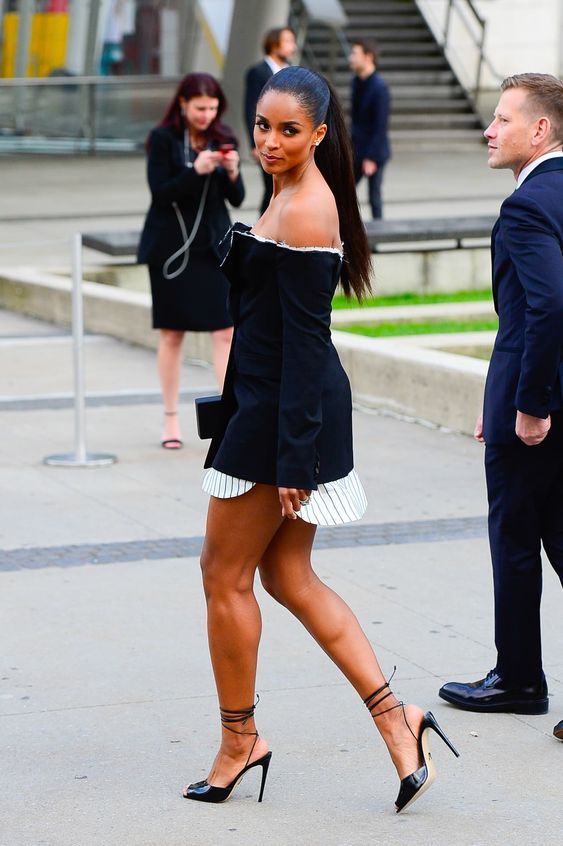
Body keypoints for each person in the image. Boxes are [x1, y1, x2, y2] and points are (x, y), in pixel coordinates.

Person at [183, 65, 458, 812]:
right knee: (287, 578)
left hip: (282, 415)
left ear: (319, 135)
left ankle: (240, 740)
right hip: (277, 406)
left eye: (288, 131)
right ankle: (397, 719)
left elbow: (305, 344)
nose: (271, 142)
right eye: (263, 126)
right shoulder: (284, 191)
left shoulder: (309, 209)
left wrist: (295, 454)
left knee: (223, 574)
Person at [438, 74, 563, 743]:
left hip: (537, 410)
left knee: (514, 541)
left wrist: (528, 405)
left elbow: (542, 309)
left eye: (501, 118)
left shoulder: (525, 207)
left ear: (538, 130)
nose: (488, 129)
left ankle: (517, 679)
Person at [138, 73, 244, 449]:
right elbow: (160, 193)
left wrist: (232, 170)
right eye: (200, 107)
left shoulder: (223, 135)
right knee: (172, 333)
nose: (206, 115)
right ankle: (170, 419)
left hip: (214, 247)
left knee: (226, 332)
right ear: (182, 103)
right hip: (172, 250)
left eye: (212, 108)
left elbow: (235, 198)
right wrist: (194, 171)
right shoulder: (163, 139)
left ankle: (230, 418)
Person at [244, 26, 297, 215]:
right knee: (271, 188)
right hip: (268, 140)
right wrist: (254, 144)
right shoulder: (258, 72)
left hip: (287, 139)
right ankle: (262, 231)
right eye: (288, 41)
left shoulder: (292, 71)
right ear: (274, 44)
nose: (293, 46)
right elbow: (251, 107)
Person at [348, 38, 391, 219]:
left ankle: (378, 240)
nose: (351, 58)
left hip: (375, 152)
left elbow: (380, 126)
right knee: (345, 193)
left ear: (369, 57)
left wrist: (371, 158)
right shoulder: (356, 82)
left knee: (374, 196)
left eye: (355, 54)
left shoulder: (379, 88)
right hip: (357, 149)